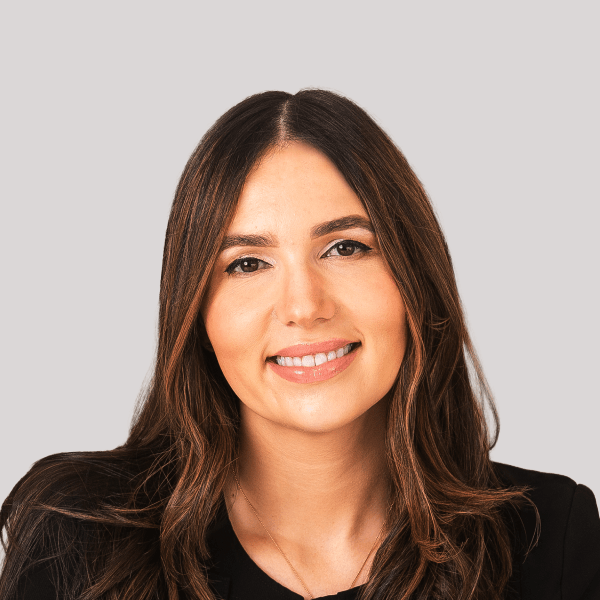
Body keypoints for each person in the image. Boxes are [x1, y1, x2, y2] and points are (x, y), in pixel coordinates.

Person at [1, 89, 599, 600]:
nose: (304, 306)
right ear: (196, 312)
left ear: (414, 279)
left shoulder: (548, 539)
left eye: (345, 248)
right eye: (247, 263)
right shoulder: (79, 540)